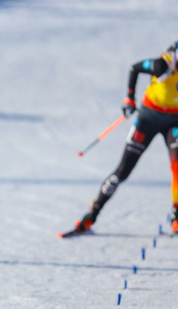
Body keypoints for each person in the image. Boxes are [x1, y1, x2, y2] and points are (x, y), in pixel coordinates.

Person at [68, 42, 178, 235]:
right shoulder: (162, 65)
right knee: (123, 171)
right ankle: (92, 214)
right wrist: (129, 99)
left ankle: (176, 215)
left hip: (174, 120)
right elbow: (134, 68)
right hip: (149, 117)